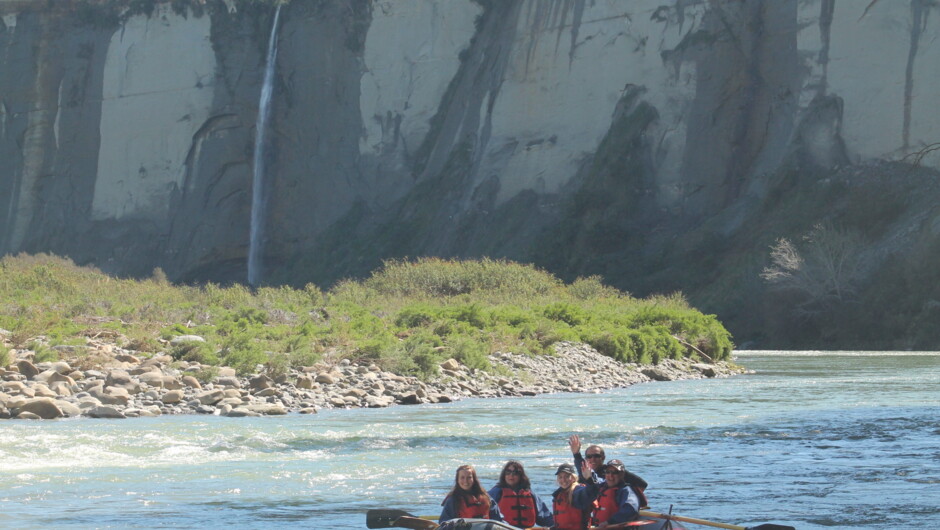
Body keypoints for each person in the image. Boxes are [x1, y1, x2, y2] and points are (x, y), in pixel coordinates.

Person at [568, 435, 648, 496]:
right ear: (586, 459)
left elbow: (642, 484)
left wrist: (627, 498)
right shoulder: (585, 473)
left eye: (596, 456)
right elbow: (580, 465)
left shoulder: (614, 471)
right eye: (589, 457)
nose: (593, 459)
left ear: (603, 458)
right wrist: (576, 454)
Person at [487, 460, 554, 528]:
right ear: (504, 475)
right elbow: (484, 509)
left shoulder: (530, 494)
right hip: (504, 528)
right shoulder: (496, 492)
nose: (511, 475)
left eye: (515, 473)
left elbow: (545, 517)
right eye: (508, 472)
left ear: (521, 476)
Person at [591, 459, 645, 528]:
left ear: (622, 474)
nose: (610, 475)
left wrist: (609, 522)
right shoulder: (601, 487)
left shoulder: (626, 491)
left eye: (615, 472)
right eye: (608, 472)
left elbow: (631, 509)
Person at [550, 462, 599, 530]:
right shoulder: (559, 493)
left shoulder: (577, 491)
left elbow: (590, 493)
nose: (563, 480)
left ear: (573, 478)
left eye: (567, 476)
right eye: (560, 477)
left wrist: (589, 479)